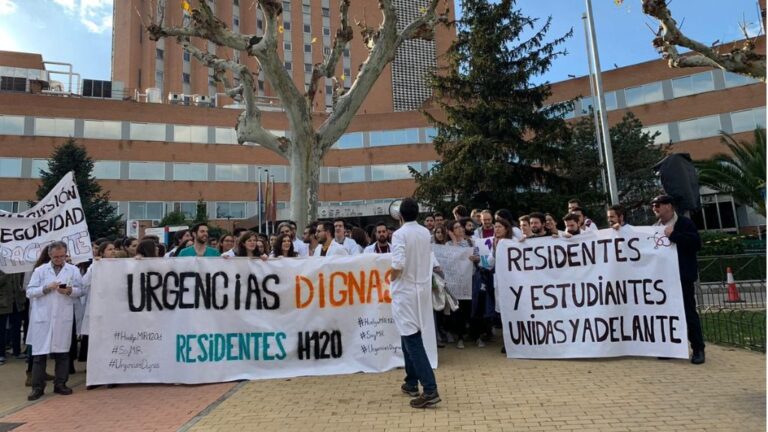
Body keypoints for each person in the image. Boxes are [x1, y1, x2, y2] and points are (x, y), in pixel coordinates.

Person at [390, 198, 440, 408]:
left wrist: (391, 277)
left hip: (406, 291)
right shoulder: (424, 232)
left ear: (400, 215)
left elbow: (398, 264)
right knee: (407, 333)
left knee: (412, 338)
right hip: (421, 289)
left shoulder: (399, 234)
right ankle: (411, 382)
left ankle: (429, 388)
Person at [26, 241, 84, 401]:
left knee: (63, 353)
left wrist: (70, 290)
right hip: (43, 318)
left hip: (62, 317)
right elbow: (29, 291)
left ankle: (60, 384)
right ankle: (37, 387)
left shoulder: (72, 270)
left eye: (62, 256)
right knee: (39, 355)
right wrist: (46, 288)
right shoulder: (40, 270)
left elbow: (81, 290)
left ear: (66, 254)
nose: (59, 259)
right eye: (56, 256)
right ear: (50, 255)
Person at [652, 194, 705, 364]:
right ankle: (670, 347)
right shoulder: (654, 227)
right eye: (653, 205)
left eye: (658, 204)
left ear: (669, 206)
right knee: (666, 314)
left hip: (682, 277)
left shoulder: (684, 223)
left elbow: (696, 244)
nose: (655, 207)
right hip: (663, 280)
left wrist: (674, 235)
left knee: (688, 312)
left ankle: (697, 349)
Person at [0, 271, 26, 365]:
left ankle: (17, 351)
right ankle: (1, 354)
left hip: (17, 301)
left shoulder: (17, 265)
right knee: (1, 329)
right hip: (3, 302)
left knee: (16, 327)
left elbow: (22, 282)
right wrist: (6, 274)